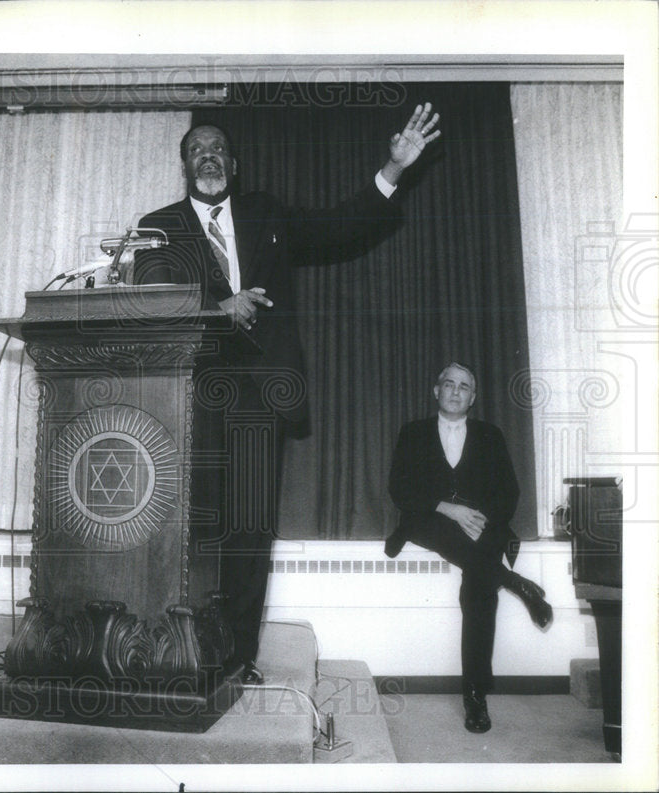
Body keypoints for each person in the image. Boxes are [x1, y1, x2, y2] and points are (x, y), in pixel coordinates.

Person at [133, 105, 441, 684]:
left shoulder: (264, 212)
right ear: (183, 165)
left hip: (257, 394)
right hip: (185, 395)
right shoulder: (158, 226)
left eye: (218, 148)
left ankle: (236, 657)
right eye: (197, 149)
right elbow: (146, 296)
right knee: (191, 526)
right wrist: (214, 307)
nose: (209, 156)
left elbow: (339, 227)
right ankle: (180, 646)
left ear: (234, 163)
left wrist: (394, 170)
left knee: (249, 530)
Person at [386, 362, 553, 733]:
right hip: (428, 521)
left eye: (464, 387)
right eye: (450, 384)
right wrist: (450, 508)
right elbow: (399, 488)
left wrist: (478, 519)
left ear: (473, 397)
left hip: (481, 527)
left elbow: (508, 492)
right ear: (436, 390)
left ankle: (475, 696)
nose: (456, 391)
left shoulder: (490, 435)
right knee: (467, 550)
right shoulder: (413, 433)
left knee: (478, 590)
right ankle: (515, 583)